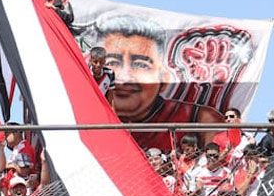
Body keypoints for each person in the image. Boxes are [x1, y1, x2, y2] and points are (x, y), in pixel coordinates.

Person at [93, 13, 224, 151]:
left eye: (140, 65)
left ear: (163, 79)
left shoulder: (199, 119)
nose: (125, 77)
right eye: (113, 62)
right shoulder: (82, 117)